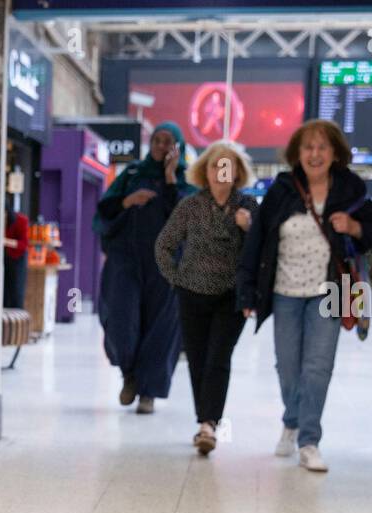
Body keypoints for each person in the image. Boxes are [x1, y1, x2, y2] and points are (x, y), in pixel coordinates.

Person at [236, 119, 372, 473]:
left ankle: (309, 440)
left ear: (334, 154)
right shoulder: (282, 191)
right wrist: (247, 293)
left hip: (329, 291)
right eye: (307, 148)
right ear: (297, 154)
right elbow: (257, 242)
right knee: (287, 366)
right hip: (284, 291)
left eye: (322, 147)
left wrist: (354, 226)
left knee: (318, 366)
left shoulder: (351, 190)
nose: (314, 154)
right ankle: (292, 418)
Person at [154, 140, 257, 456]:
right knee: (198, 360)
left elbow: (262, 253)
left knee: (218, 358)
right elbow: (164, 246)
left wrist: (248, 228)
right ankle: (205, 421)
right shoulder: (190, 206)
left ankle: (208, 424)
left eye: (228, 165)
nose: (221, 171)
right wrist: (178, 280)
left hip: (231, 299)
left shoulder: (249, 207)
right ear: (206, 171)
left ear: (238, 172)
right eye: (215, 165)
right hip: (192, 297)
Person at [93, 122, 193, 414]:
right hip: (126, 260)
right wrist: (128, 200)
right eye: (158, 140)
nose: (162, 146)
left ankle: (148, 391)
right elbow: (105, 210)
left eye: (169, 142)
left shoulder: (186, 182)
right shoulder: (134, 173)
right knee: (121, 319)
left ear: (179, 147)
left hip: (167, 266)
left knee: (160, 328)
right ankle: (129, 376)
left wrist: (171, 179)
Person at [2, 195, 29, 310]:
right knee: (4, 291)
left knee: (16, 291)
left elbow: (24, 244)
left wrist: (5, 241)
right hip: (4, 258)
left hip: (17, 258)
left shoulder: (21, 220)